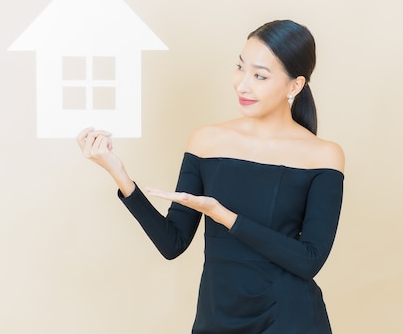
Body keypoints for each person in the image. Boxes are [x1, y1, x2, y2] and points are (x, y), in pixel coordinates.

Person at [77, 19, 345, 334]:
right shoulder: (207, 141)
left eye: (259, 76)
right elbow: (172, 243)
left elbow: (308, 260)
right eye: (240, 68)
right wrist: (118, 173)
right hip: (217, 319)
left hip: (290, 320)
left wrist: (223, 215)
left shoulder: (324, 155)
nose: (242, 84)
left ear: (294, 86)